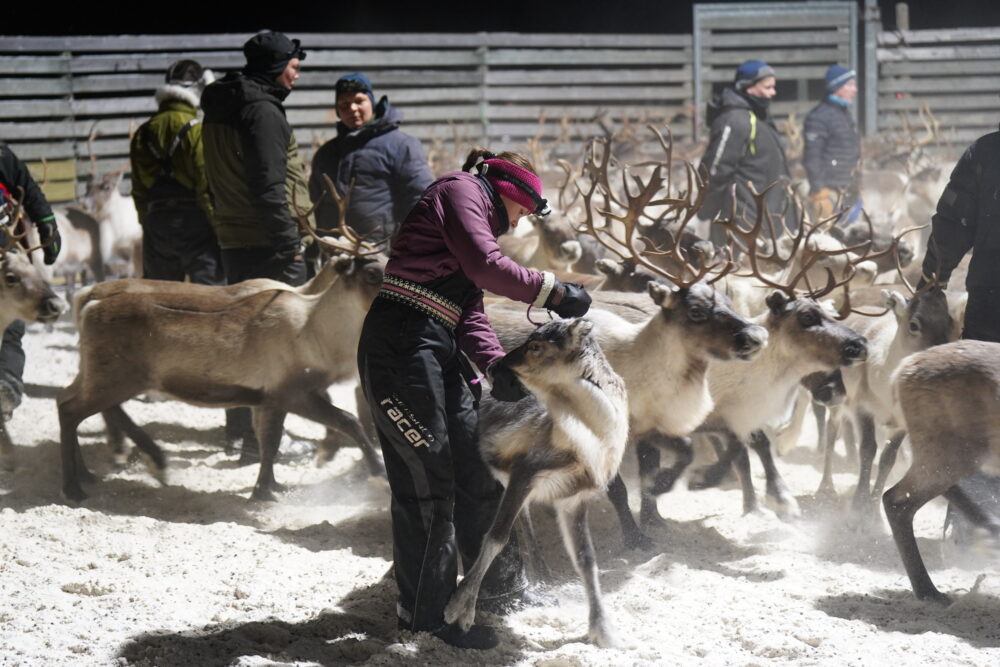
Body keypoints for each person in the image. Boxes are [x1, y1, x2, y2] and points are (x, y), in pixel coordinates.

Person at [357, 148, 591, 650]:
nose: (524, 220)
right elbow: (487, 268)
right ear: (510, 191)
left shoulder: (474, 216)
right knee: (429, 480)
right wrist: (552, 290)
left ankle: (502, 592)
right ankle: (424, 618)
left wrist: (494, 364)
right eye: (525, 209)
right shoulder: (460, 191)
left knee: (478, 470)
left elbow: (468, 307)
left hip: (433, 343)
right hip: (400, 345)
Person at [201, 30, 312, 460]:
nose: (296, 75)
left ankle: (239, 433)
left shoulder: (222, 106)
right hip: (270, 242)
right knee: (279, 346)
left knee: (244, 341)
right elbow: (268, 185)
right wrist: (290, 245)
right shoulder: (262, 112)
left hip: (235, 236)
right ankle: (265, 439)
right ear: (275, 66)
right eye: (293, 66)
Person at [917, 126, 1000, 545]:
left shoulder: (987, 152)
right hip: (991, 305)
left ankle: (975, 527)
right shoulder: (984, 152)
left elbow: (951, 225)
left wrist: (931, 285)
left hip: (991, 306)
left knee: (980, 413)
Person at [309, 72, 432, 247]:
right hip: (336, 253)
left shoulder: (402, 146)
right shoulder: (326, 153)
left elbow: (421, 198)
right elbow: (316, 203)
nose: (352, 109)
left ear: (372, 104)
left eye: (359, 101)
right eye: (344, 104)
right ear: (337, 111)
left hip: (379, 251)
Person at [130, 59, 224, 285]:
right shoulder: (197, 131)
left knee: (161, 300)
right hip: (196, 223)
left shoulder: (143, 133)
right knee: (209, 301)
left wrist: (148, 223)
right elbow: (206, 187)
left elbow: (139, 190)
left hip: (156, 222)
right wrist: (219, 229)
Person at [699, 60, 793, 247]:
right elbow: (715, 169)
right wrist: (705, 211)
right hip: (740, 223)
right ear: (748, 88)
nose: (773, 93)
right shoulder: (735, 120)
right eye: (767, 87)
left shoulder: (759, 116)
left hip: (766, 220)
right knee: (736, 274)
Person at [0, 144, 61, 419]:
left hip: (2, 239)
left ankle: (6, 383)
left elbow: (24, 183)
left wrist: (46, 221)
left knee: (10, 313)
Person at [803, 64, 861, 222]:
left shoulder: (844, 115)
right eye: (850, 85)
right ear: (837, 87)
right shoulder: (819, 117)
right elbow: (812, 158)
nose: (855, 90)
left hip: (849, 190)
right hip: (829, 193)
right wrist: (819, 192)